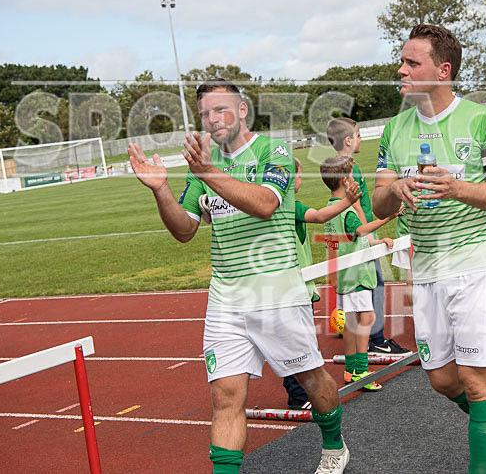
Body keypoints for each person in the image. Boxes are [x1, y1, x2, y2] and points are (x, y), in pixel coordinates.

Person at [127, 78, 349, 474]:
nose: (212, 120)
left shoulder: (272, 150)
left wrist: (209, 172)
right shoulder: (203, 170)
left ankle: (334, 443)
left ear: (242, 110)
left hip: (277, 292)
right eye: (205, 114)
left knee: (313, 380)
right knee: (226, 398)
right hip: (226, 299)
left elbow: (265, 203)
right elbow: (184, 230)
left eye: (220, 110)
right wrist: (160, 190)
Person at [373, 23, 486, 474]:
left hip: (474, 263)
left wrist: (458, 188)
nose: (400, 70)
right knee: (442, 379)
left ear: (442, 71)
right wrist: (396, 188)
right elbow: (379, 200)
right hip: (424, 268)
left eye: (411, 62)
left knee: (478, 383)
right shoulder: (395, 129)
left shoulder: (482, 121)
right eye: (401, 61)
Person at [326, 117, 412, 356]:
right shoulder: (349, 171)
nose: (361, 139)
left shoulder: (344, 166)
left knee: (366, 286)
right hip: (361, 239)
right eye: (359, 134)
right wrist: (372, 234)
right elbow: (356, 207)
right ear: (348, 140)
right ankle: (375, 339)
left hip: (361, 237)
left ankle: (367, 337)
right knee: (373, 284)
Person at [283, 156, 361, 410]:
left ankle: (300, 390)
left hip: (298, 285)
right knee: (295, 342)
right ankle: (298, 394)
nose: (300, 180)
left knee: (296, 340)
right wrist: (349, 201)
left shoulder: (289, 205)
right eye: (298, 176)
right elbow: (318, 216)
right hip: (293, 286)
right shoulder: (288, 205)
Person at [321, 155, 395, 390]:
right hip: (357, 274)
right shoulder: (347, 212)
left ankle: (350, 369)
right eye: (351, 175)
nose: (354, 179)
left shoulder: (330, 209)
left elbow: (345, 241)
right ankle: (361, 372)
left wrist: (377, 242)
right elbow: (360, 231)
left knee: (352, 321)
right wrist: (389, 217)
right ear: (345, 181)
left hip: (345, 274)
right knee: (367, 318)